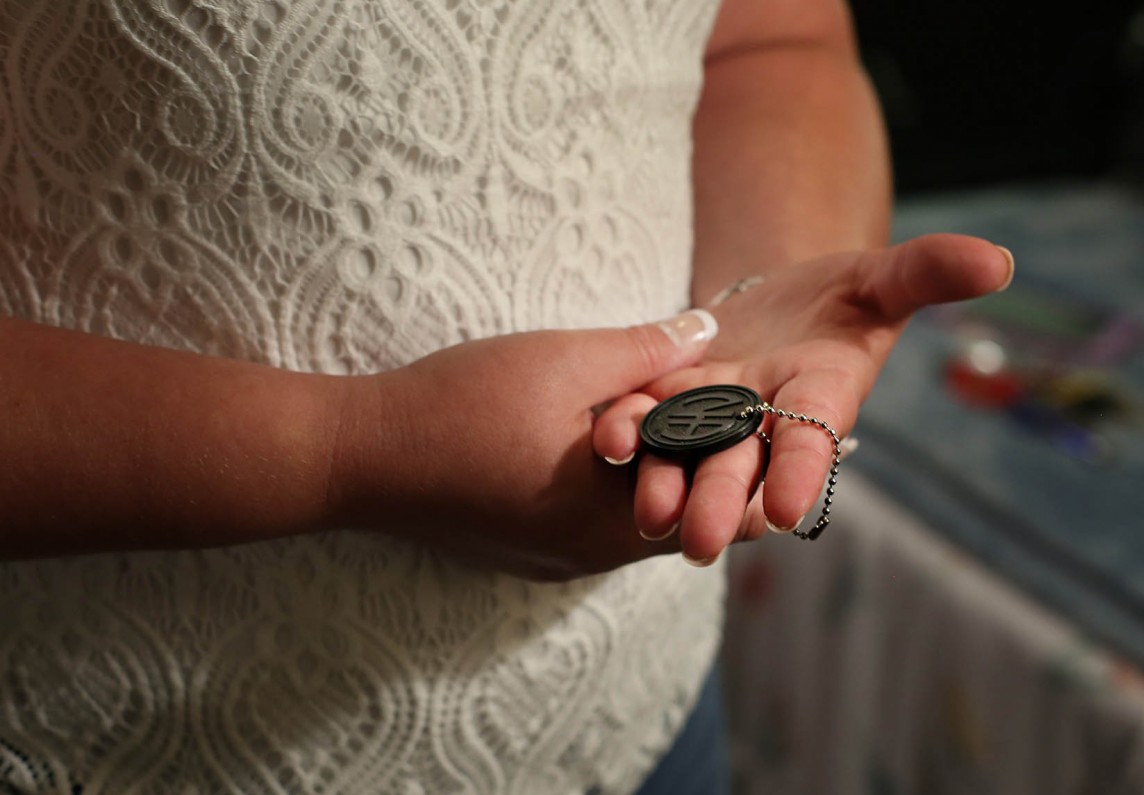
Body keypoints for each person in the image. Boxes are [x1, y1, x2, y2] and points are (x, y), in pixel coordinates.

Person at [0, 0, 1012, 792]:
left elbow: (775, 42)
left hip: (634, 713)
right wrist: (354, 449)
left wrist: (767, 303)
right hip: (110, 739)